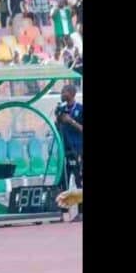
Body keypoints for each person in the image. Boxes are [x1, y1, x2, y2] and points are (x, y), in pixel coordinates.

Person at [55, 84, 83, 222]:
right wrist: (58, 119)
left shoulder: (80, 109)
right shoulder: (61, 109)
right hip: (63, 150)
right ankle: (61, 213)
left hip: (77, 150)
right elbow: (58, 127)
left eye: (64, 91)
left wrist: (70, 121)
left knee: (78, 181)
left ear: (72, 93)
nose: (62, 93)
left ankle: (80, 213)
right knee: (62, 181)